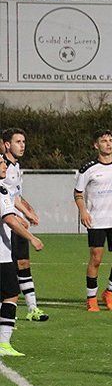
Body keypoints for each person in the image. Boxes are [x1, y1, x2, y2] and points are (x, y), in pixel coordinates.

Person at [73, 130, 112, 312]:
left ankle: (109, 292)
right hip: (96, 221)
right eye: (104, 141)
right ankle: (91, 298)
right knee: (96, 259)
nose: (108, 144)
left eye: (110, 140)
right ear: (96, 145)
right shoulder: (88, 169)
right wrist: (83, 211)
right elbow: (78, 193)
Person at [1, 128, 47, 322]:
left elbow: (15, 196)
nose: (22, 145)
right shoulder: (3, 166)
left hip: (15, 220)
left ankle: (32, 308)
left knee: (23, 264)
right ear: (6, 145)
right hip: (7, 225)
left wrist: (28, 213)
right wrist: (16, 216)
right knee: (9, 268)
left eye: (24, 141)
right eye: (18, 141)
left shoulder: (15, 166)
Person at [0, 157, 44, 357]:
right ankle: (4, 343)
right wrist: (32, 238)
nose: (4, 166)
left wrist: (25, 213)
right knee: (10, 295)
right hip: (1, 255)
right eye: (1, 162)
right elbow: (9, 219)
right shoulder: (1, 191)